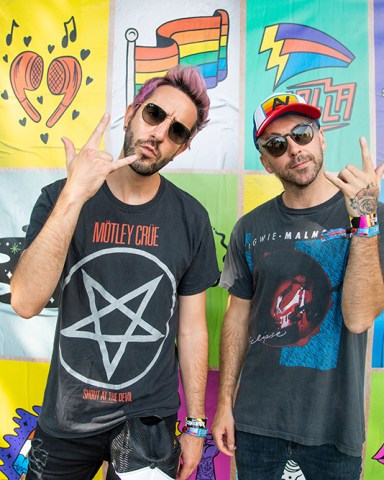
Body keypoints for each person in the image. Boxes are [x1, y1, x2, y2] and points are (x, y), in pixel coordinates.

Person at [11, 65, 219, 480]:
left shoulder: (191, 219)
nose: (160, 133)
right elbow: (25, 301)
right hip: (67, 416)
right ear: (131, 113)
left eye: (178, 131)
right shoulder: (59, 197)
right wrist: (74, 194)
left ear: (183, 147)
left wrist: (196, 425)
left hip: (149, 423)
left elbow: (193, 329)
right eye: (155, 114)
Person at [212, 92, 384, 479]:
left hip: (333, 430)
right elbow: (237, 318)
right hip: (257, 426)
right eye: (276, 144)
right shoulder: (249, 228)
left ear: (322, 138)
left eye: (302, 134)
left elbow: (358, 318)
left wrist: (365, 222)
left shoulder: (370, 217)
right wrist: (225, 403)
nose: (293, 149)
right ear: (266, 163)